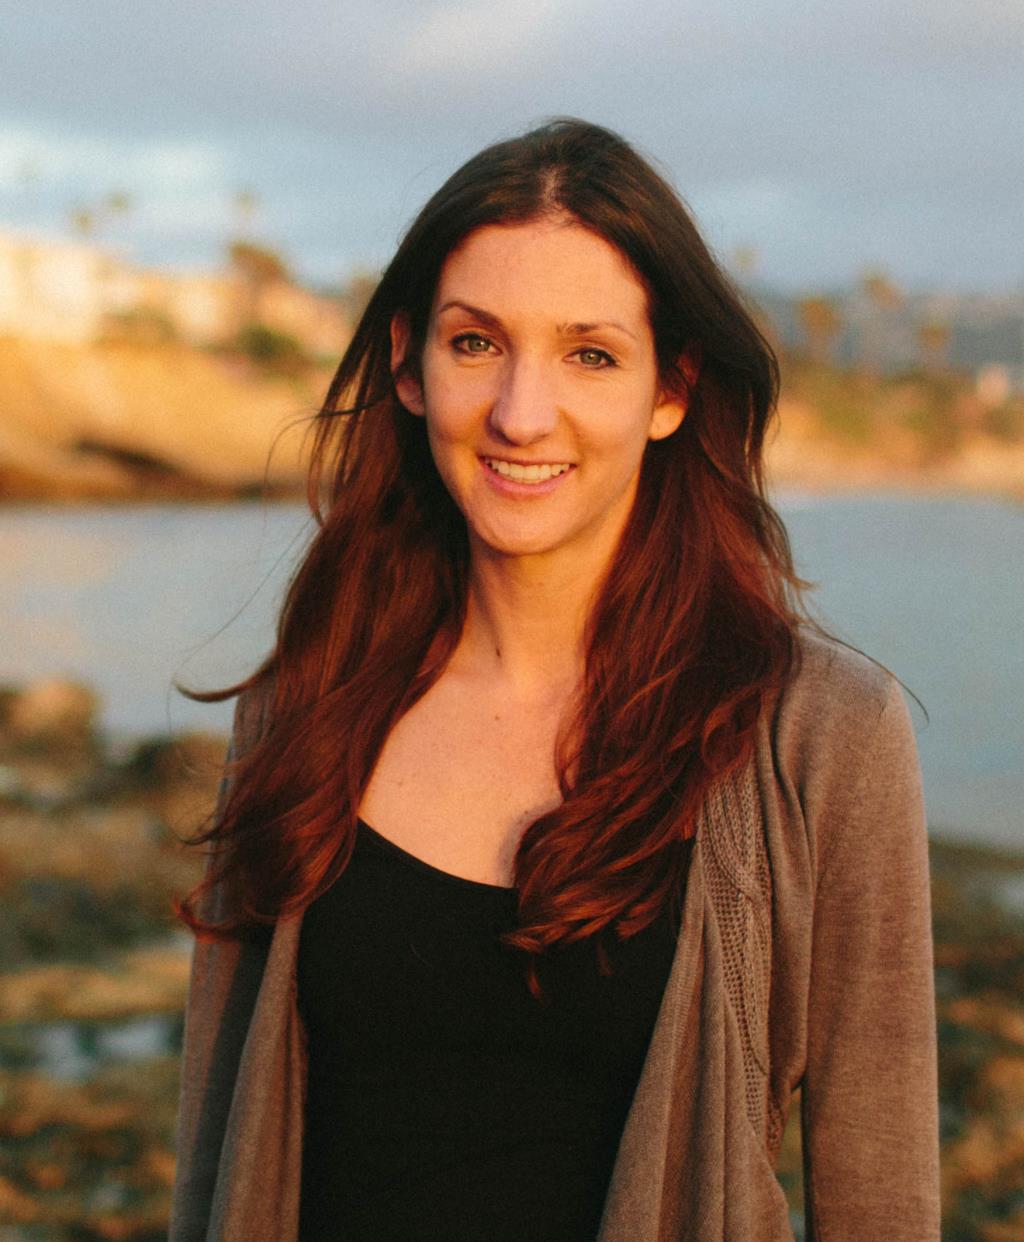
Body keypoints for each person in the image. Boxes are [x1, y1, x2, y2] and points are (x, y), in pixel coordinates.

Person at [169, 119, 939, 1241]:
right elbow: (217, 1149)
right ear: (409, 365)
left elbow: (882, 1198)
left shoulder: (819, 733)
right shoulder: (305, 704)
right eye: (477, 343)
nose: (521, 415)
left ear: (671, 388)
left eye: (591, 355)